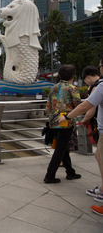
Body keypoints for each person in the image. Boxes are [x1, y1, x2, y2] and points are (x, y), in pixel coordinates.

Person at [58, 62, 103, 206]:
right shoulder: (73, 88)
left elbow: (88, 106)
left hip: (60, 121)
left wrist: (67, 117)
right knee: (98, 156)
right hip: (73, 122)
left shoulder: (55, 87)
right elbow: (82, 104)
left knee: (100, 157)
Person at [43, 64, 82, 184]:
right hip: (66, 122)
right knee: (60, 149)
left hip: (54, 122)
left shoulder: (54, 87)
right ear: (72, 76)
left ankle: (70, 172)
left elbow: (48, 107)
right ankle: (49, 176)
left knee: (63, 148)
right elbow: (78, 105)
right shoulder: (72, 88)